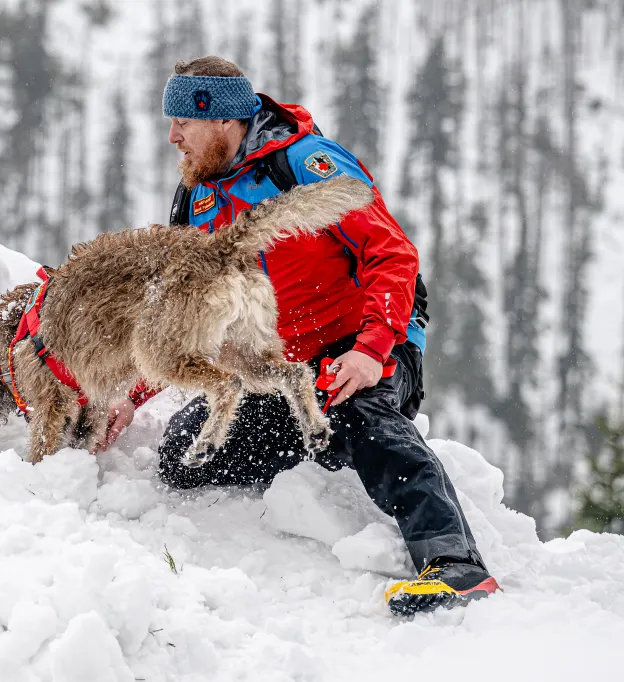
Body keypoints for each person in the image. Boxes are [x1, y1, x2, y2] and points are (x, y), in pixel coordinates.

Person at [100, 56, 500, 616]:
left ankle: (455, 565)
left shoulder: (304, 165)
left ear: (221, 122)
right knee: (184, 456)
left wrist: (370, 352)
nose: (172, 138)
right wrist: (130, 394)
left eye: (181, 124)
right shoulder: (196, 201)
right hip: (283, 369)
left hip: (364, 340)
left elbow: (393, 255)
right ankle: (321, 446)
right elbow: (179, 316)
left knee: (361, 414)